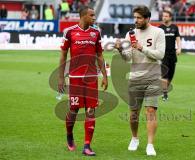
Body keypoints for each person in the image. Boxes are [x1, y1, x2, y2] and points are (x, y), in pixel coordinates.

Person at [115, 5, 165, 156]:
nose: (135, 20)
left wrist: (142, 48)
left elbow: (160, 54)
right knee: (133, 113)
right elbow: (128, 57)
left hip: (153, 77)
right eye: (134, 17)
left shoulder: (158, 32)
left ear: (147, 18)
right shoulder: (130, 34)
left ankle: (150, 144)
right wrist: (120, 50)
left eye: (139, 18)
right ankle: (135, 138)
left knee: (151, 111)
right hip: (135, 77)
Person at [58, 5, 108, 156]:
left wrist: (105, 76)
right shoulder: (70, 32)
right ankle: (69, 135)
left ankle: (87, 145)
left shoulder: (96, 32)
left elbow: (99, 55)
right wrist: (61, 77)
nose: (94, 18)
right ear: (83, 16)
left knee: (91, 111)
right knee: (73, 110)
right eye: (92, 15)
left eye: (94, 15)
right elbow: (63, 55)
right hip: (75, 78)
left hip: (91, 78)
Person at [159, 10, 181, 101]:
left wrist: (179, 48)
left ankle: (164, 89)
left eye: (166, 16)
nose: (164, 17)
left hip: (172, 55)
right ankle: (165, 94)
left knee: (171, 75)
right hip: (163, 55)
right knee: (165, 74)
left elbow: (178, 39)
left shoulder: (175, 27)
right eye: (163, 16)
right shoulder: (159, 28)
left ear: (170, 17)